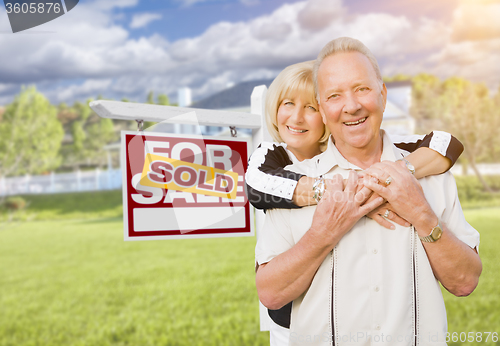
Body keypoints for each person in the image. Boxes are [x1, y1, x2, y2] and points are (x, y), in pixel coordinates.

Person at [254, 37, 481, 346]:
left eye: (362, 89)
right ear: (322, 108)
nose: (352, 106)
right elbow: (270, 292)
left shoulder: (432, 174)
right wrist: (323, 233)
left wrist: (421, 213)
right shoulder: (292, 185)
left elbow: (465, 281)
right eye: (335, 95)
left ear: (383, 95)